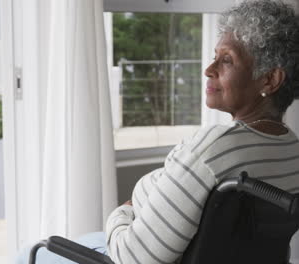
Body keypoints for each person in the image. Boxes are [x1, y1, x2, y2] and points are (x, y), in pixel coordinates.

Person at [17, 0, 299, 263]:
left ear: (270, 79)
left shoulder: (214, 149)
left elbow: (134, 258)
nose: (209, 69)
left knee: (31, 253)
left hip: (127, 250)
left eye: (226, 60)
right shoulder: (291, 150)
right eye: (214, 57)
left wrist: (122, 212)